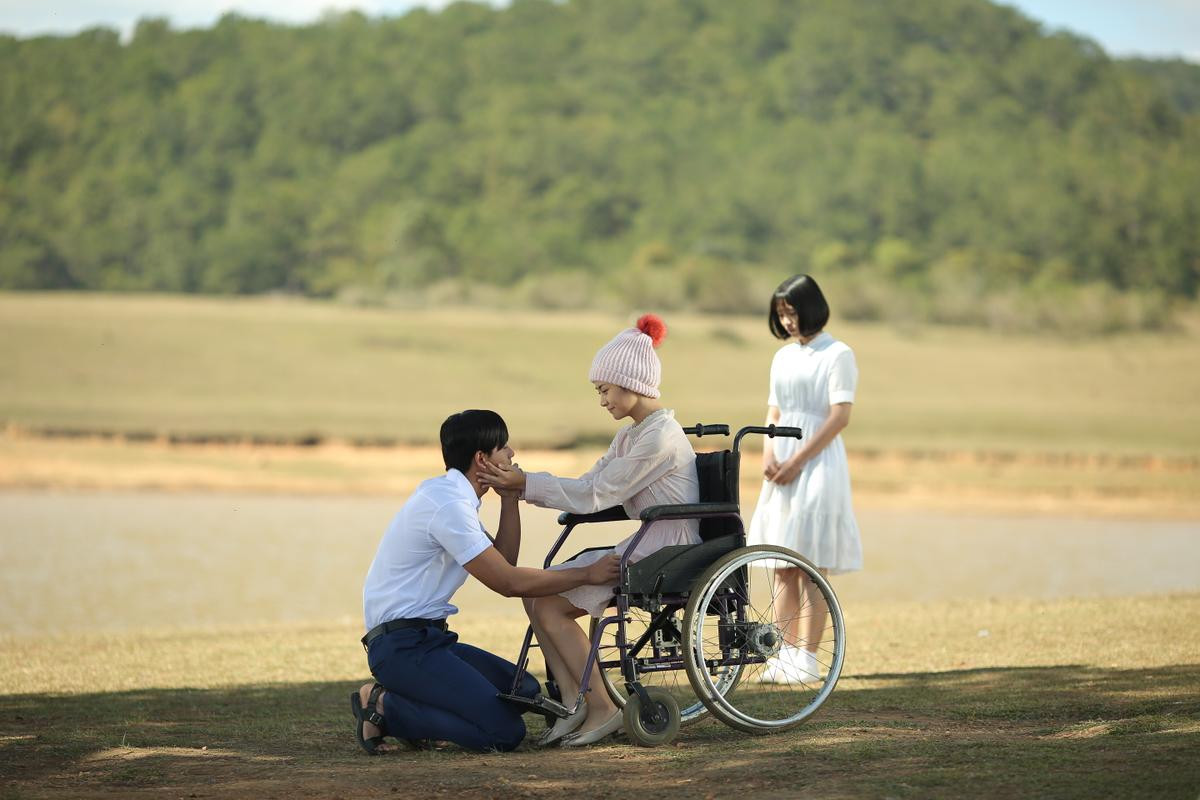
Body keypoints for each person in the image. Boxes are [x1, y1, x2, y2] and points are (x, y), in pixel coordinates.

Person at [479, 314, 700, 747]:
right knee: (536, 593)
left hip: (670, 547)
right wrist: (526, 484)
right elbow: (588, 486)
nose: (601, 401)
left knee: (552, 605)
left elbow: (596, 493)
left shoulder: (659, 439)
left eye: (604, 390)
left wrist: (523, 484)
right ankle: (576, 704)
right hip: (648, 540)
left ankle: (602, 706)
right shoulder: (631, 437)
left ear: (631, 384)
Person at [351, 409, 620, 754]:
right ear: (481, 458)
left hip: (430, 639)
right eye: (503, 448)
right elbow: (508, 582)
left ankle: (423, 701)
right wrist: (587, 574)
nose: (512, 455)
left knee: (524, 691)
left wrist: (510, 498)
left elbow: (503, 560)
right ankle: (384, 705)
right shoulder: (447, 506)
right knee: (504, 732)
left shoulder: (454, 499)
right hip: (402, 647)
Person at [747, 274, 862, 684]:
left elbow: (839, 416)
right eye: (781, 313)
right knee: (782, 565)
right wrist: (768, 453)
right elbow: (773, 412)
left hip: (818, 464)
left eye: (792, 311)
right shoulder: (783, 358)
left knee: (811, 564)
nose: (787, 320)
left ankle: (808, 657)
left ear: (810, 307)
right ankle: (782, 654)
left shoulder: (838, 354)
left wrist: (797, 459)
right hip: (782, 466)